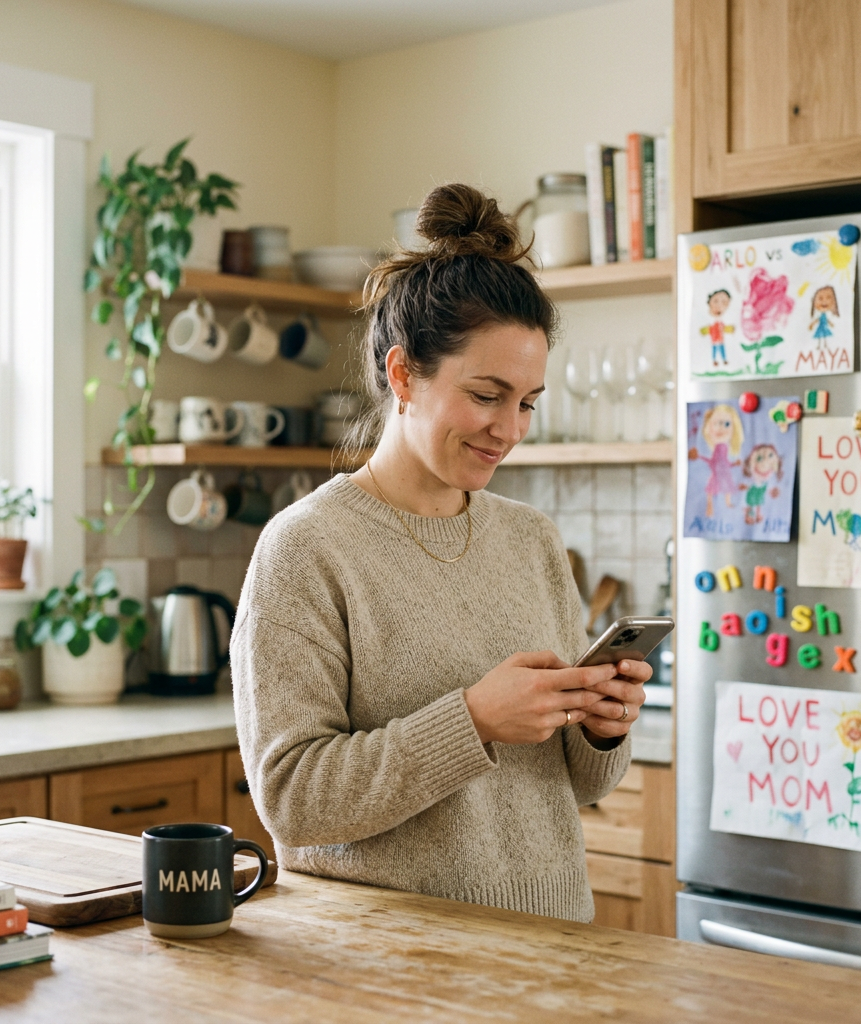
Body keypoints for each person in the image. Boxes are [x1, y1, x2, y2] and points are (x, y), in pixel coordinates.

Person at [230, 183, 649, 923]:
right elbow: (293, 800)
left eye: (527, 402)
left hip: (556, 940)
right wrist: (474, 720)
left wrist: (600, 726)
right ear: (402, 375)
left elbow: (572, 788)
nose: (510, 429)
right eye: (487, 394)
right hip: (395, 962)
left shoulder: (531, 539)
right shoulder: (307, 548)